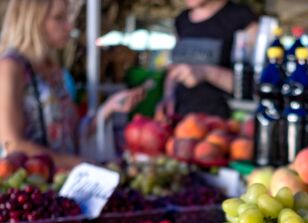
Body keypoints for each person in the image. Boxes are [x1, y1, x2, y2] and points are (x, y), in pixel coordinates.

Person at [0, 0, 146, 168]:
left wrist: (109, 107)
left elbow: (70, 134)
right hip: (31, 186)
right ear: (32, 20)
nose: (69, 26)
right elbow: (13, 145)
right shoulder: (10, 67)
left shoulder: (54, 69)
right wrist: (78, 164)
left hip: (63, 184)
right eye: (59, 18)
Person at [157, 0, 257, 120]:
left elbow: (253, 84)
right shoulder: (182, 20)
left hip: (222, 121)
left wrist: (206, 72)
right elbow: (175, 67)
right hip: (182, 117)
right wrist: (168, 96)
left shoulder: (240, 17)